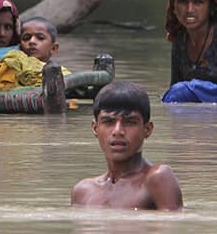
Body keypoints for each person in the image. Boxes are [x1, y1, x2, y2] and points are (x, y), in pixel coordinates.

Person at [71, 81, 183, 211]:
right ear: (95, 128)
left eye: (130, 122)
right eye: (108, 122)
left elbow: (171, 227)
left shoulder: (157, 178)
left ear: (147, 129)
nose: (118, 131)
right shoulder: (83, 192)